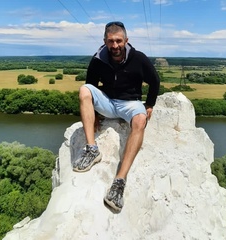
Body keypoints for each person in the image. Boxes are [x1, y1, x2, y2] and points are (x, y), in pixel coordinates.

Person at [73, 21, 160, 213]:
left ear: (126, 40)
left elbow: (154, 80)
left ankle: (119, 181)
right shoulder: (98, 59)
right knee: (83, 90)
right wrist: (95, 113)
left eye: (118, 41)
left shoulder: (138, 58)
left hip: (130, 103)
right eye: (110, 41)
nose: (115, 46)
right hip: (107, 102)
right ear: (104, 41)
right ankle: (91, 149)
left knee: (139, 120)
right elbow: (91, 85)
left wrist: (150, 104)